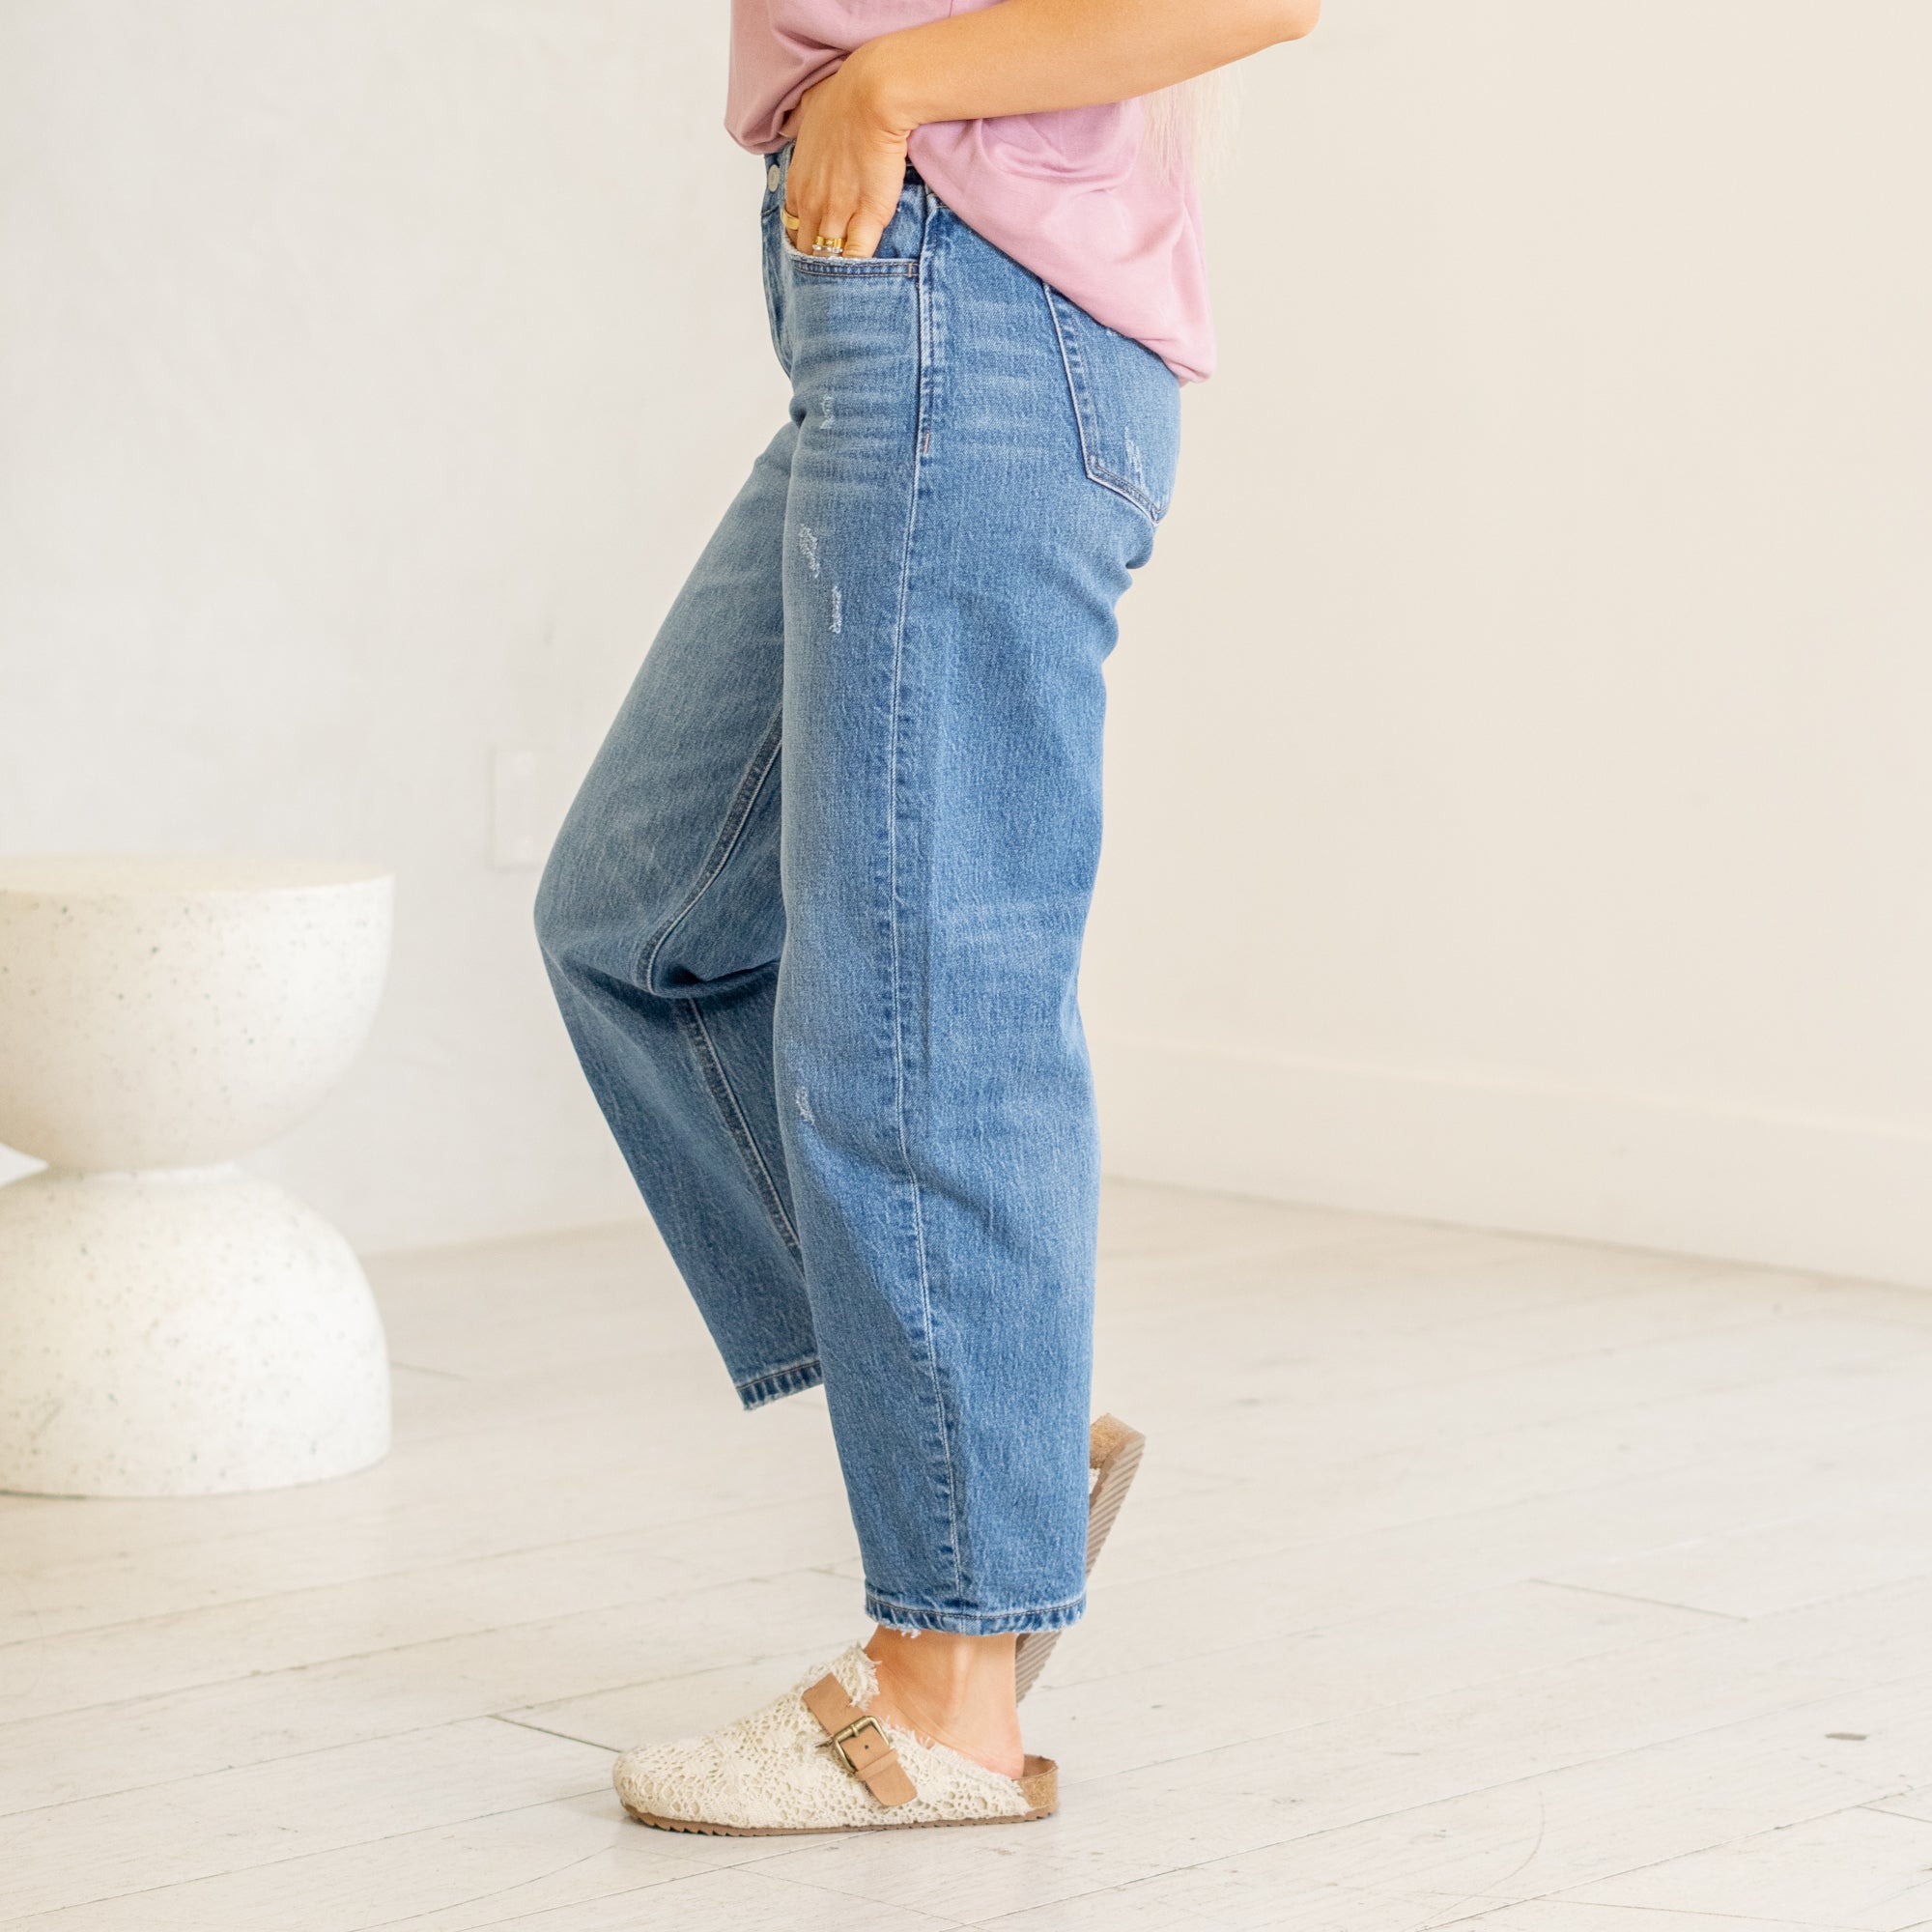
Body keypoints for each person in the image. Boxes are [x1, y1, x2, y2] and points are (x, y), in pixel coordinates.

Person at [535, 0, 1320, 1835]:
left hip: (977, 308)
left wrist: (888, 85)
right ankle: (1003, 1443)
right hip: (895, 316)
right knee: (639, 919)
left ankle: (946, 1695)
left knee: (925, 1005)